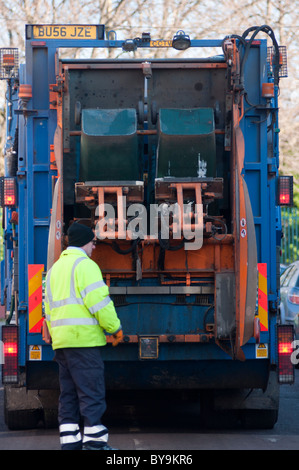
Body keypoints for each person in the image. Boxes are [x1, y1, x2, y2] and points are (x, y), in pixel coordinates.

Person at [44, 222, 123, 450]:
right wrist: (114, 328)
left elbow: (47, 308)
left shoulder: (54, 270)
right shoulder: (86, 266)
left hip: (62, 344)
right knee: (91, 394)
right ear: (86, 242)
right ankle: (95, 445)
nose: (94, 248)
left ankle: (70, 444)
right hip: (83, 342)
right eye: (94, 243)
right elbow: (100, 303)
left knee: (68, 396)